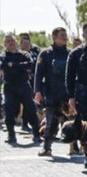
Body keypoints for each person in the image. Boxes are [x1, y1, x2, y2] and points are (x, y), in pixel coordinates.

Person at [33, 27, 70, 156]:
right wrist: (37, 91)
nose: (65, 37)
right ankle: (47, 147)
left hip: (67, 92)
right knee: (51, 122)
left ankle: (74, 147)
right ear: (54, 37)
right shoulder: (46, 54)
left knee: (70, 120)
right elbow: (38, 74)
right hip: (52, 92)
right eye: (62, 35)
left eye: (65, 35)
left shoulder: (70, 54)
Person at [2, 34, 41, 144]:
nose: (11, 43)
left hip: (24, 86)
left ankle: (36, 135)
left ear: (16, 42)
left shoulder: (24, 54)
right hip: (9, 87)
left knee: (31, 109)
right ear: (5, 44)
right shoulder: (3, 56)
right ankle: (11, 136)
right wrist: (20, 66)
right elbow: (3, 66)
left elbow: (31, 64)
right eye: (8, 41)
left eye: (12, 40)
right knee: (9, 111)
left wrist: (13, 65)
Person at [67, 23, 87, 123]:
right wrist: (71, 96)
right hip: (82, 92)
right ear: (83, 35)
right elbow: (70, 76)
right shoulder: (75, 53)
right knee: (84, 122)